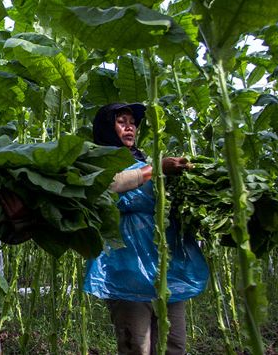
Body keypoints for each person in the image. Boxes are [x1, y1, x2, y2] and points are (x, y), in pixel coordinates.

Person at [83, 103, 209, 355]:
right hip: (126, 270)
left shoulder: (144, 160)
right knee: (136, 346)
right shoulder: (97, 160)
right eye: (121, 121)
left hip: (165, 269)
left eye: (133, 122)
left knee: (174, 344)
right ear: (107, 127)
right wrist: (158, 170)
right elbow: (108, 185)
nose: (130, 127)